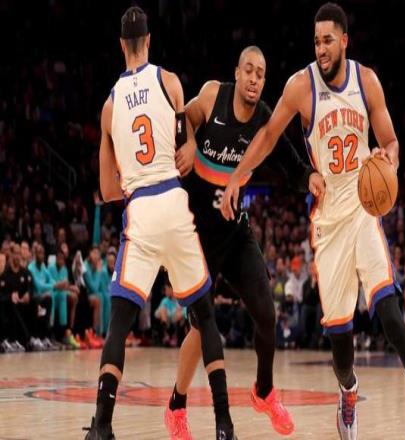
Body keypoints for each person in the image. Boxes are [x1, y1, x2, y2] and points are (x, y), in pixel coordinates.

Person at [221, 3, 405, 439]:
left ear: (345, 40)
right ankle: (348, 390)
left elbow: (391, 141)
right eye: (316, 41)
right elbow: (269, 135)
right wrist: (237, 176)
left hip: (364, 213)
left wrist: (388, 158)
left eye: (328, 40)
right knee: (341, 347)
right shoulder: (301, 86)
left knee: (392, 317)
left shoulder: (367, 82)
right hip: (328, 225)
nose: (321, 48)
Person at [83, 7, 236, 440]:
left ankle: (102, 426)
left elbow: (107, 190)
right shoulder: (170, 82)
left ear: (121, 45)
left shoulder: (109, 107)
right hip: (173, 198)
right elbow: (186, 153)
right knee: (204, 316)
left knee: (119, 324)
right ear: (148, 40)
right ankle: (224, 424)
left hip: (140, 208)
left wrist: (132, 175)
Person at [167, 45, 316, 438]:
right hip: (197, 234)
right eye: (248, 70)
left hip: (235, 231)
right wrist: (189, 141)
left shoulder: (265, 119)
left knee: (267, 315)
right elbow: (182, 119)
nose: (253, 78)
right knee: (200, 328)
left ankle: (264, 392)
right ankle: (177, 405)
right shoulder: (213, 95)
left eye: (260, 74)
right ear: (237, 72)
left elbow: (293, 168)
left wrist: (313, 180)